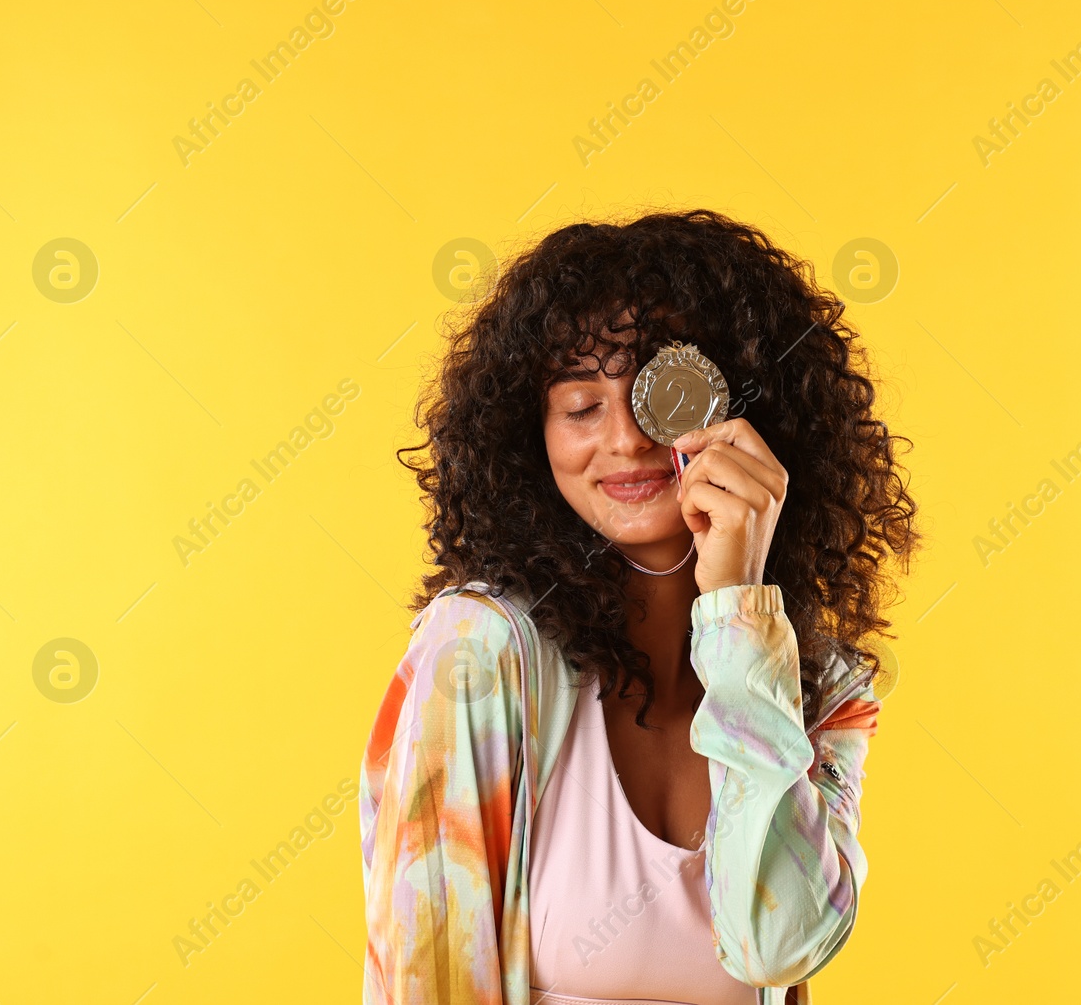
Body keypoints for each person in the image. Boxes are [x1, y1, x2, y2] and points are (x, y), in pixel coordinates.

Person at [361, 209, 919, 1004]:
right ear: (533, 438)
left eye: (665, 395)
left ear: (748, 404)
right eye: (582, 406)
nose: (625, 439)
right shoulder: (482, 653)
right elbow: (428, 977)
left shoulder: (821, 683)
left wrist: (737, 610)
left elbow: (779, 944)